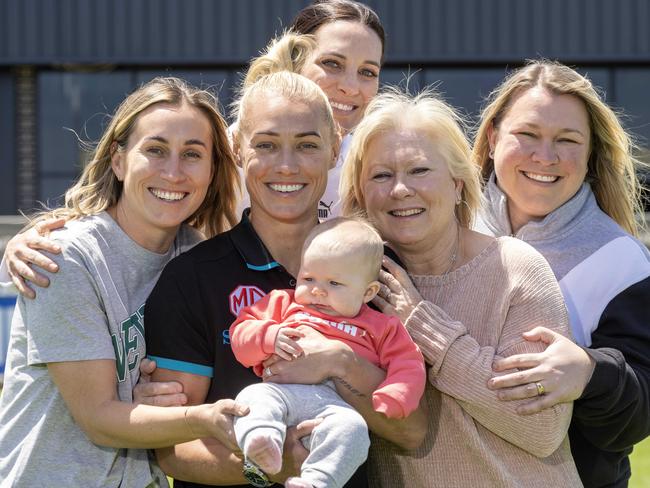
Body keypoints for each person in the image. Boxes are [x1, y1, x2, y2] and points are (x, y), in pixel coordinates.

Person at [143, 72, 427, 488]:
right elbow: (171, 448)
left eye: (308, 145)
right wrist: (278, 465)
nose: (287, 166)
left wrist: (341, 362)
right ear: (238, 150)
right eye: (267, 145)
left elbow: (413, 430)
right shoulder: (193, 276)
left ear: (334, 150)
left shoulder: (378, 268)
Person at [0, 77, 248, 486]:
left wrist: (160, 405)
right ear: (118, 160)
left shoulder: (197, 258)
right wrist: (202, 417)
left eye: (192, 154)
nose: (173, 172)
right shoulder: (65, 258)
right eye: (155, 150)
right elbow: (99, 418)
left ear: (211, 171)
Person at [338, 87, 582, 486]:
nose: (400, 189)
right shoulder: (350, 285)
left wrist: (423, 326)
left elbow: (543, 429)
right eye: (381, 175)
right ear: (362, 193)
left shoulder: (515, 268)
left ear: (456, 184)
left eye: (419, 170)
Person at [473, 60, 650, 488]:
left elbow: (639, 413)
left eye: (566, 140)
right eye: (527, 134)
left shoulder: (621, 262)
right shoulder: (446, 228)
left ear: (589, 155)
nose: (545, 157)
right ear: (494, 138)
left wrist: (589, 373)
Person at [230, 217, 426, 488]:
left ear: (368, 291)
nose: (317, 291)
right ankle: (262, 441)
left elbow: (408, 363)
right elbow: (242, 333)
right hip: (282, 393)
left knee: (354, 432)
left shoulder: (381, 326)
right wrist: (269, 337)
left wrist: (396, 393)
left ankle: (317, 481)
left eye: (334, 284)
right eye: (308, 278)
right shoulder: (283, 303)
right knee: (254, 397)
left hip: (336, 407)